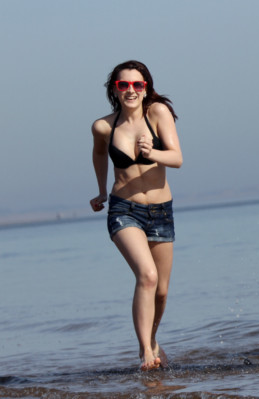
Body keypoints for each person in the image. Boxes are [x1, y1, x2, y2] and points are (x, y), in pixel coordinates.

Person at [90, 60, 183, 370]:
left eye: (137, 85)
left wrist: (151, 152)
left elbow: (177, 158)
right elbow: (100, 153)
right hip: (123, 209)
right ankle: (145, 350)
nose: (130, 90)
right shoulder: (104, 126)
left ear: (146, 89)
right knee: (147, 276)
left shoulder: (157, 113)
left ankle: (153, 339)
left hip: (160, 211)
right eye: (123, 85)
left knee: (162, 290)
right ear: (114, 90)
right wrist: (101, 190)